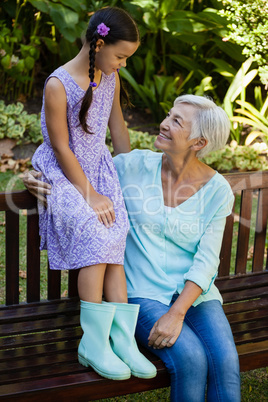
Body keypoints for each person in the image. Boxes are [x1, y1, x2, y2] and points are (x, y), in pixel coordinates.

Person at [24, 94, 241, 401]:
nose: (164, 124)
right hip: (142, 293)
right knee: (191, 358)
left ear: (199, 143)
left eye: (176, 121)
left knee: (226, 362)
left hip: (195, 294)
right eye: (168, 115)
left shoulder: (217, 190)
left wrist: (177, 313)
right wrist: (36, 176)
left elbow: (207, 261)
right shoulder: (130, 167)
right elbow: (79, 172)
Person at [29, 6, 156, 381]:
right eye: (121, 56)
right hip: (66, 173)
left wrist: (127, 175)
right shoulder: (58, 84)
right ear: (98, 44)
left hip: (99, 169)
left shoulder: (109, 77)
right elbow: (63, 147)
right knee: (97, 231)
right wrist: (91, 195)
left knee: (116, 233)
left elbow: (117, 128)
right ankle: (94, 342)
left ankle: (123, 340)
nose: (124, 65)